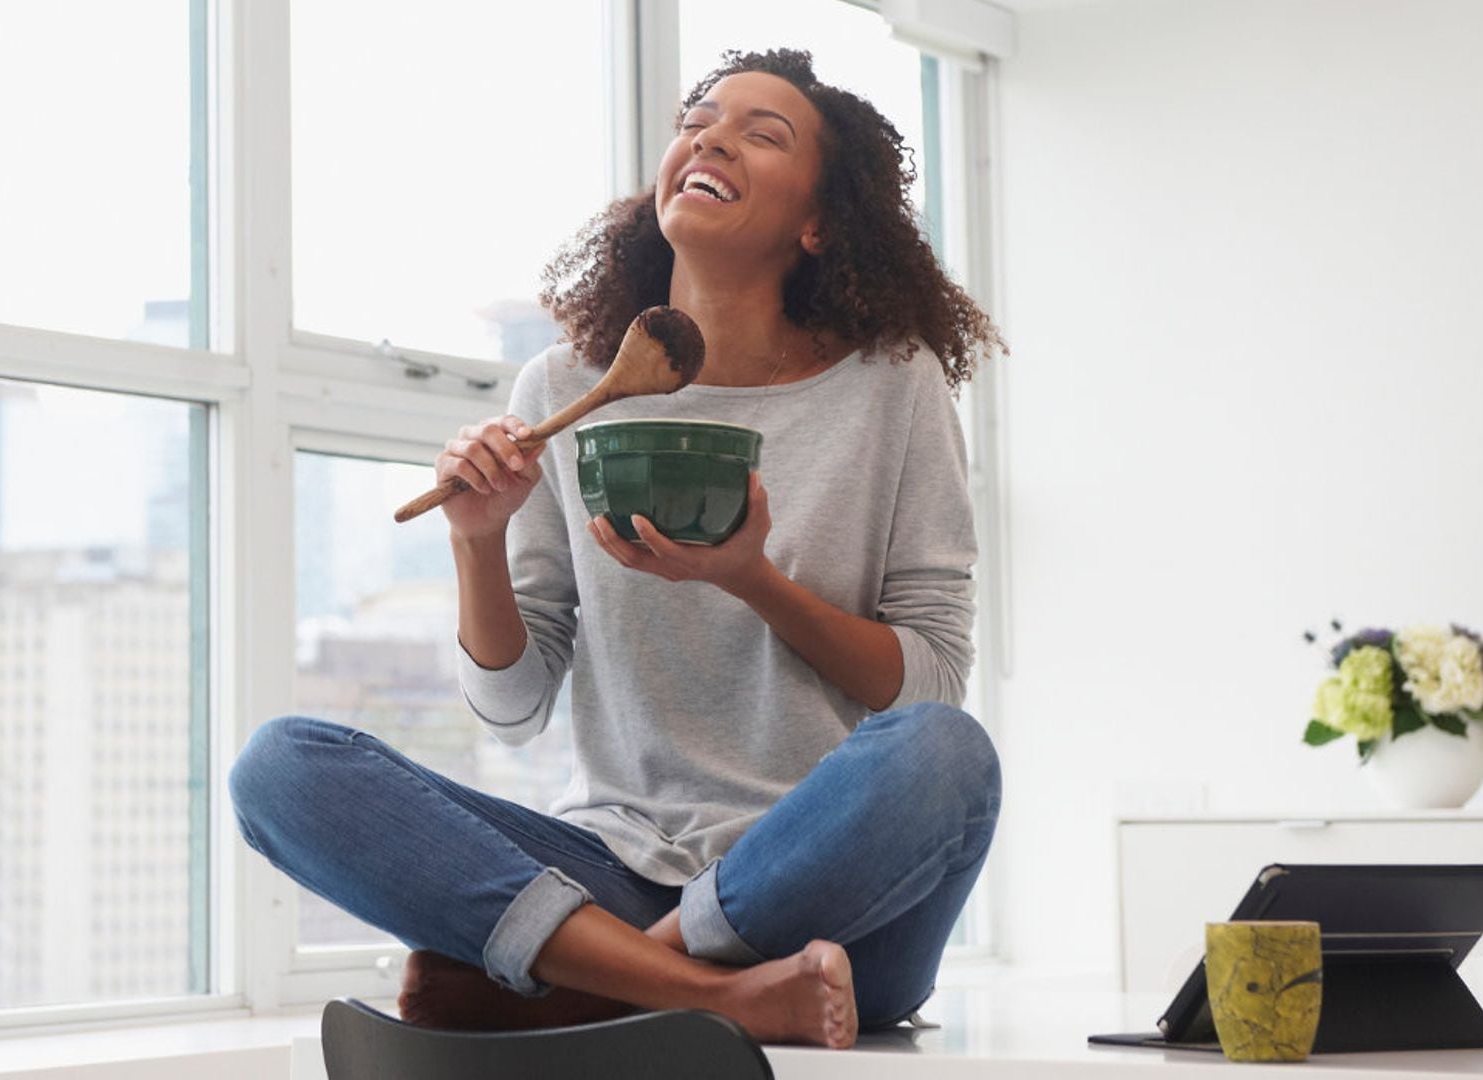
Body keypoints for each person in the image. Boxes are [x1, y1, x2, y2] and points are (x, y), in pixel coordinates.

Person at [230, 47, 1006, 1050]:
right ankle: (717, 996)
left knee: (947, 757)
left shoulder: (893, 388)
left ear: (818, 223)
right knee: (281, 768)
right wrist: (477, 541)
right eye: (699, 117)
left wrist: (751, 578)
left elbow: (931, 688)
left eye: (762, 133)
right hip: (618, 860)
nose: (710, 135)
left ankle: (589, 976)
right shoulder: (561, 388)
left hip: (836, 895)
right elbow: (513, 706)